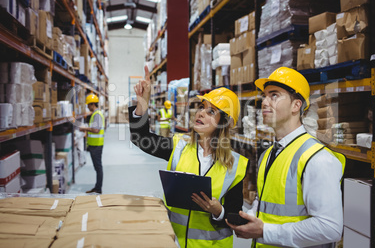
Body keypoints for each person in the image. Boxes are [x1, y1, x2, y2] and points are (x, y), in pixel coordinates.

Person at [129, 65, 249, 247]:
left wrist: (219, 212)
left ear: (223, 124)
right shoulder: (179, 146)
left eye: (211, 111)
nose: (200, 113)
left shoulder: (235, 165)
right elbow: (141, 138)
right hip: (174, 242)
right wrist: (142, 103)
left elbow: (235, 215)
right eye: (202, 107)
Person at [227, 67, 346, 248]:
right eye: (264, 96)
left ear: (296, 105)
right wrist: (250, 218)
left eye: (274, 95)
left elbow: (330, 228)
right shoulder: (268, 154)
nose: (264, 103)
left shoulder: (317, 159)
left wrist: (265, 231)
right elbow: (266, 201)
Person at [80, 93, 105, 194]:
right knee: (97, 167)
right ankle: (97, 187)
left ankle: (98, 189)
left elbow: (96, 130)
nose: (87, 107)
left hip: (96, 145)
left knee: (98, 167)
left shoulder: (97, 114)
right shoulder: (95, 114)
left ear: (92, 104)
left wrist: (84, 128)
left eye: (88, 105)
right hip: (94, 145)